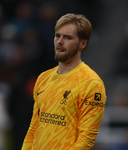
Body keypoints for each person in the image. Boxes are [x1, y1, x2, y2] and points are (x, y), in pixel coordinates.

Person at [21, 13, 107, 150]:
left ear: (82, 44)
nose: (59, 41)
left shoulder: (92, 83)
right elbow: (34, 128)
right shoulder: (43, 78)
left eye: (67, 37)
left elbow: (86, 140)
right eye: (57, 36)